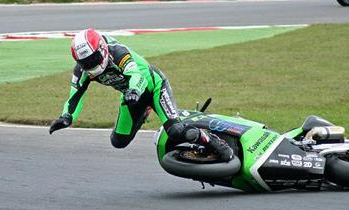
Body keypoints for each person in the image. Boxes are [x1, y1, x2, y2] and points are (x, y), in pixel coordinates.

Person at [49, 28, 233, 161]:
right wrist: (66, 117)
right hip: (131, 99)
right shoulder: (83, 71)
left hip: (153, 87)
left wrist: (134, 91)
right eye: (85, 63)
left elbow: (136, 76)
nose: (91, 66)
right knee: (118, 141)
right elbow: (75, 95)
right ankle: (146, 111)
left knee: (176, 131)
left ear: (102, 50)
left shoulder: (118, 53)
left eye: (93, 59)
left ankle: (210, 139)